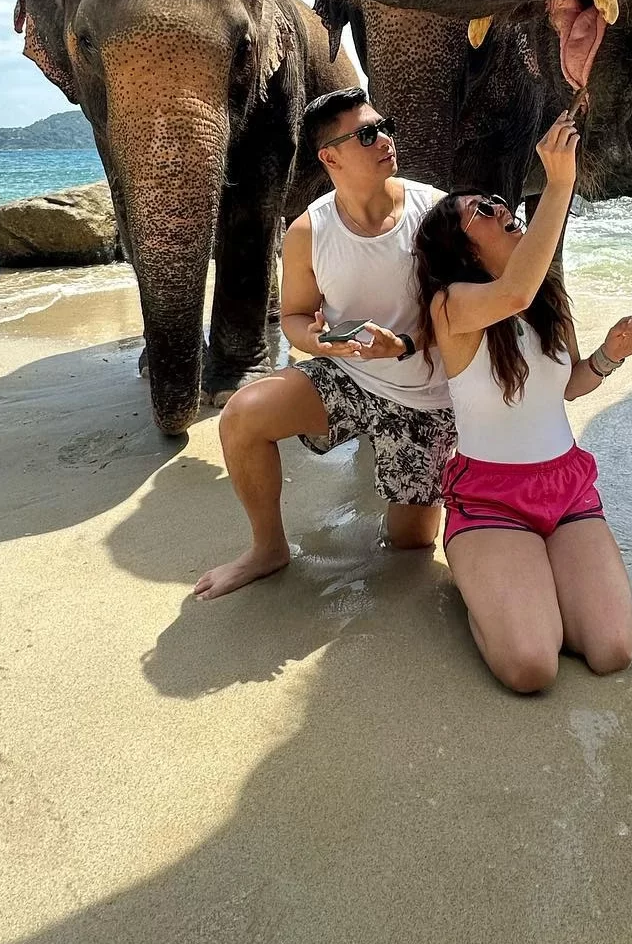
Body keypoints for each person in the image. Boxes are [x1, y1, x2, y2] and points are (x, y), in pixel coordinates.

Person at [413, 112, 632, 694]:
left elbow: (566, 386)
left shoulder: (549, 300)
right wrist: (561, 183)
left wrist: (606, 357)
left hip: (565, 486)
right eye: (483, 211)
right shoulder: (452, 307)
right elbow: (512, 290)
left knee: (612, 650)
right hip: (492, 497)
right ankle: (486, 593)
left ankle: (533, 588)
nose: (503, 209)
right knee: (530, 668)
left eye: (501, 202)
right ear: (460, 249)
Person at [194, 87, 455, 600]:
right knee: (242, 416)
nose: (384, 139)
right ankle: (267, 548)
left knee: (410, 545)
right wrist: (313, 339)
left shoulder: (435, 213)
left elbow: (462, 316)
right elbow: (292, 315)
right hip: (350, 374)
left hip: (425, 398)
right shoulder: (308, 230)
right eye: (366, 134)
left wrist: (400, 345)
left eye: (383, 126)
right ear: (330, 156)